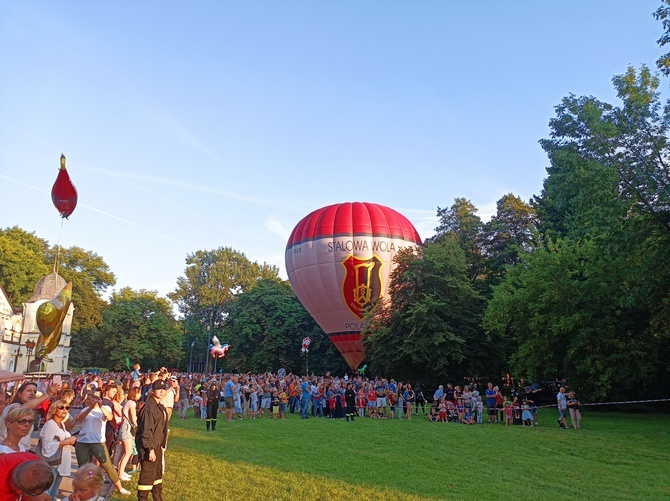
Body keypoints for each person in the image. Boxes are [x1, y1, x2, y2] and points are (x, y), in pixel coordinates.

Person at [73, 389, 130, 495]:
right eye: (90, 399)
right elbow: (80, 418)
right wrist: (90, 408)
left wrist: (100, 406)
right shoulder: (85, 409)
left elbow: (110, 417)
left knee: (107, 465)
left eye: (96, 398)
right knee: (83, 468)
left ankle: (120, 488)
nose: (93, 400)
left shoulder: (105, 408)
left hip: (98, 442)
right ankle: (81, 490)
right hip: (83, 442)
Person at [0, 380, 61, 450]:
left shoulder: (29, 411)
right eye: (29, 390)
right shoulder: (14, 406)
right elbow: (20, 409)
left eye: (34, 392)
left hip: (22, 449)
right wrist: (46, 394)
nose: (32, 393)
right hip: (8, 450)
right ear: (19, 394)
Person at [136, 379, 169, 501]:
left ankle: (157, 497)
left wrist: (161, 445)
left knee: (157, 474)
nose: (161, 391)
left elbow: (161, 429)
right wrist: (150, 449)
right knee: (147, 475)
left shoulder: (160, 407)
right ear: (152, 391)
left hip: (157, 445)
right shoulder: (148, 408)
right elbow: (146, 430)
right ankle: (142, 498)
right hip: (148, 446)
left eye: (163, 389)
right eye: (158, 389)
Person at [40, 399, 77, 499]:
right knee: (46, 492)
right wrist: (67, 441)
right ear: (54, 409)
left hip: (61, 462)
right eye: (61, 407)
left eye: (67, 408)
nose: (64, 410)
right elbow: (46, 446)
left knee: (54, 492)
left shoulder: (61, 424)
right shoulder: (50, 425)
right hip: (53, 462)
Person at [118, 386, 141, 481]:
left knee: (124, 452)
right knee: (129, 451)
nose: (140, 395)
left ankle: (120, 471)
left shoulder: (128, 402)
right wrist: (139, 426)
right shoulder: (132, 403)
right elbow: (134, 418)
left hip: (124, 427)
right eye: (139, 393)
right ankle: (121, 473)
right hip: (127, 428)